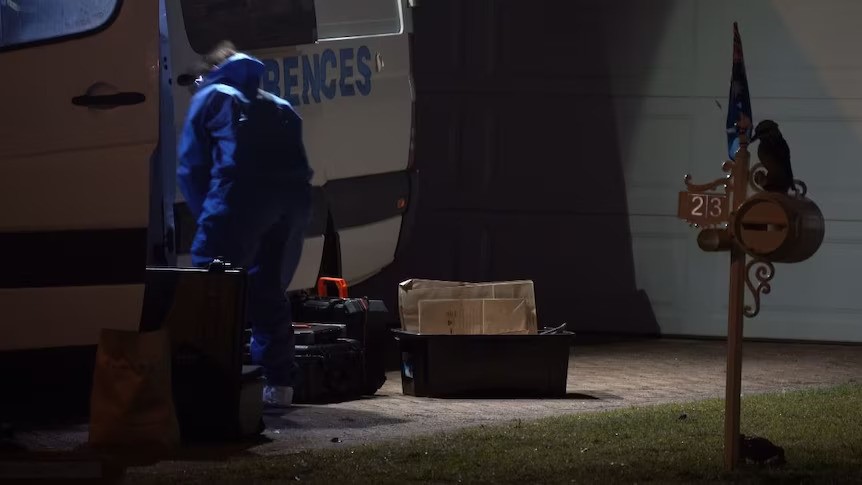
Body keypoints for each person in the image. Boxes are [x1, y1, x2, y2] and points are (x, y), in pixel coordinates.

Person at [177, 41, 313, 407]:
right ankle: (278, 386)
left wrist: (209, 217)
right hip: (293, 204)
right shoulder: (280, 105)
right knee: (267, 291)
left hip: (242, 199)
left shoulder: (211, 96)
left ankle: (211, 385)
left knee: (213, 286)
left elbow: (191, 168)